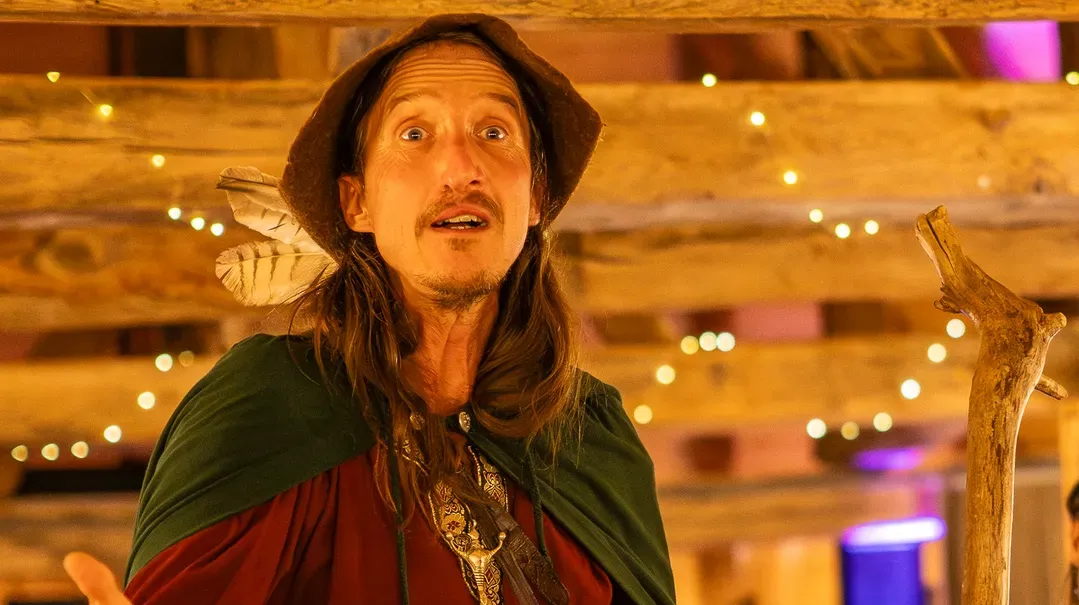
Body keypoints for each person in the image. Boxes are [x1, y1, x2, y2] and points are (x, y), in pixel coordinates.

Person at [61, 13, 676, 605]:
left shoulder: (592, 438)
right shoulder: (270, 403)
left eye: (494, 133)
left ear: (536, 195)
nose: (462, 167)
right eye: (414, 135)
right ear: (357, 203)